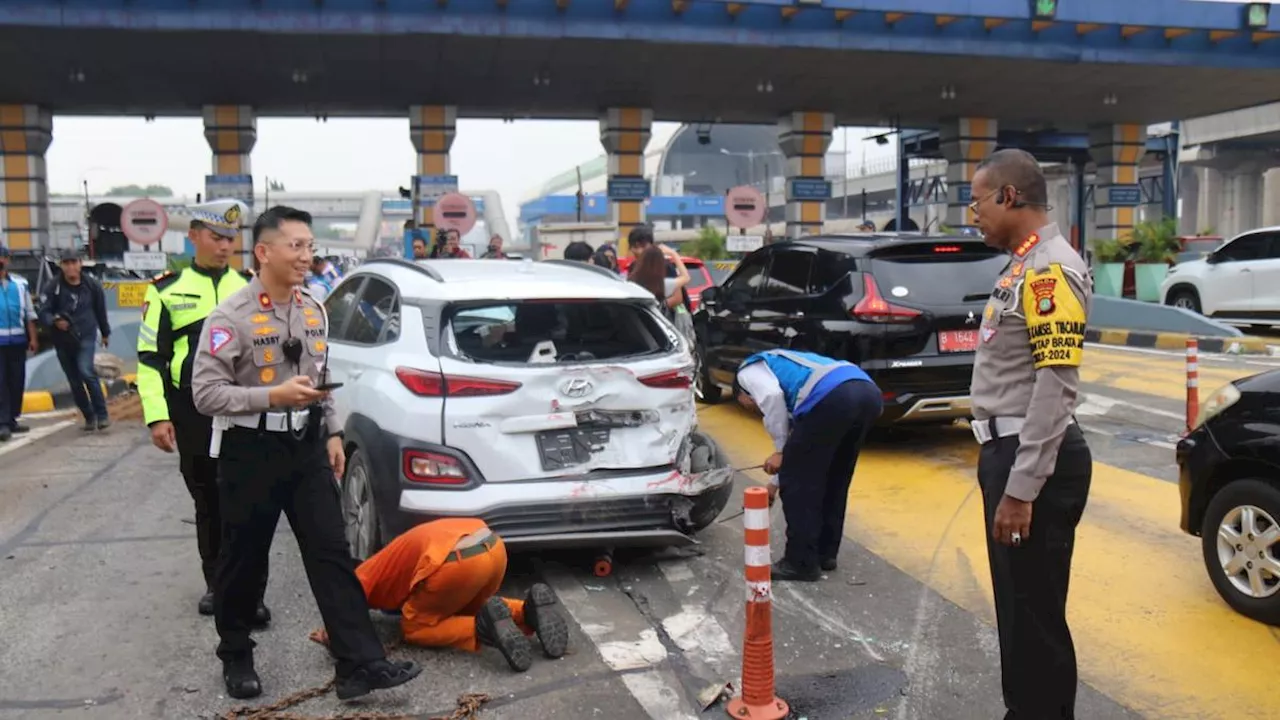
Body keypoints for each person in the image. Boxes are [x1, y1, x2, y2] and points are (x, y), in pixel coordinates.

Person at [192, 205, 421, 700]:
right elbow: (205, 395)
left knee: (331, 552)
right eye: (296, 246)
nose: (306, 256)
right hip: (250, 449)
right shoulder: (230, 317)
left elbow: (322, 380)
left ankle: (359, 664)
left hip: (307, 446)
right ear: (263, 252)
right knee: (243, 559)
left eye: (309, 246)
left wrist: (333, 433)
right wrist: (270, 397)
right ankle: (235, 652)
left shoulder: (314, 307)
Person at [968, 148, 1092, 720]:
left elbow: (1056, 384)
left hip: (1030, 459)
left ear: (1009, 197)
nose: (973, 214)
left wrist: (1022, 488)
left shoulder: (1048, 270)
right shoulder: (1023, 263)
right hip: (1011, 452)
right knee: (1020, 610)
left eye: (978, 201)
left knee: (1034, 614)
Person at [137, 200, 270, 621]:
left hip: (245, 410)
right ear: (193, 236)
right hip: (192, 412)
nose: (224, 246)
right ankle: (218, 584)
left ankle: (252, 592)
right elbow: (149, 360)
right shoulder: (165, 290)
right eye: (216, 237)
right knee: (208, 500)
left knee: (251, 500)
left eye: (231, 238)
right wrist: (157, 416)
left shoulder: (251, 286)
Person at [309, 518, 569, 673]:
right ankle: (528, 611)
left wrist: (331, 634)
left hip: (457, 562)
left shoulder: (362, 576)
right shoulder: (389, 559)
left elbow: (345, 607)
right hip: (492, 547)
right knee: (469, 606)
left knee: (415, 627)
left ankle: (482, 628)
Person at [732, 349, 882, 582]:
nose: (752, 408)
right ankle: (825, 554)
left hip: (834, 397)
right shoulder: (786, 367)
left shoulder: (747, 371)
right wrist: (773, 485)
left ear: (742, 393)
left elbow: (770, 397)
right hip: (867, 392)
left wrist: (782, 453)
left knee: (799, 485)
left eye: (746, 405)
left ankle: (800, 562)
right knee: (835, 476)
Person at [38, 249, 112, 432]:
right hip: (63, 340)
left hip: (86, 336)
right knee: (74, 381)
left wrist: (105, 333)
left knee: (86, 371)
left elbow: (100, 310)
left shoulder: (92, 286)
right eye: (66, 263)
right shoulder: (52, 287)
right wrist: (54, 321)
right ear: (61, 265)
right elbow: (43, 312)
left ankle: (102, 415)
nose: (70, 267)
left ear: (80, 264)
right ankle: (89, 416)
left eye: (74, 262)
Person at [0, 243, 37, 442]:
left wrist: (33, 338)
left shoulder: (20, 284)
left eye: (2, 257)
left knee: (17, 382)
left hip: (18, 341)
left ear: (7, 260)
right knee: (1, 383)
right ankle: (3, 422)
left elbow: (29, 315)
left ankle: (12, 418)